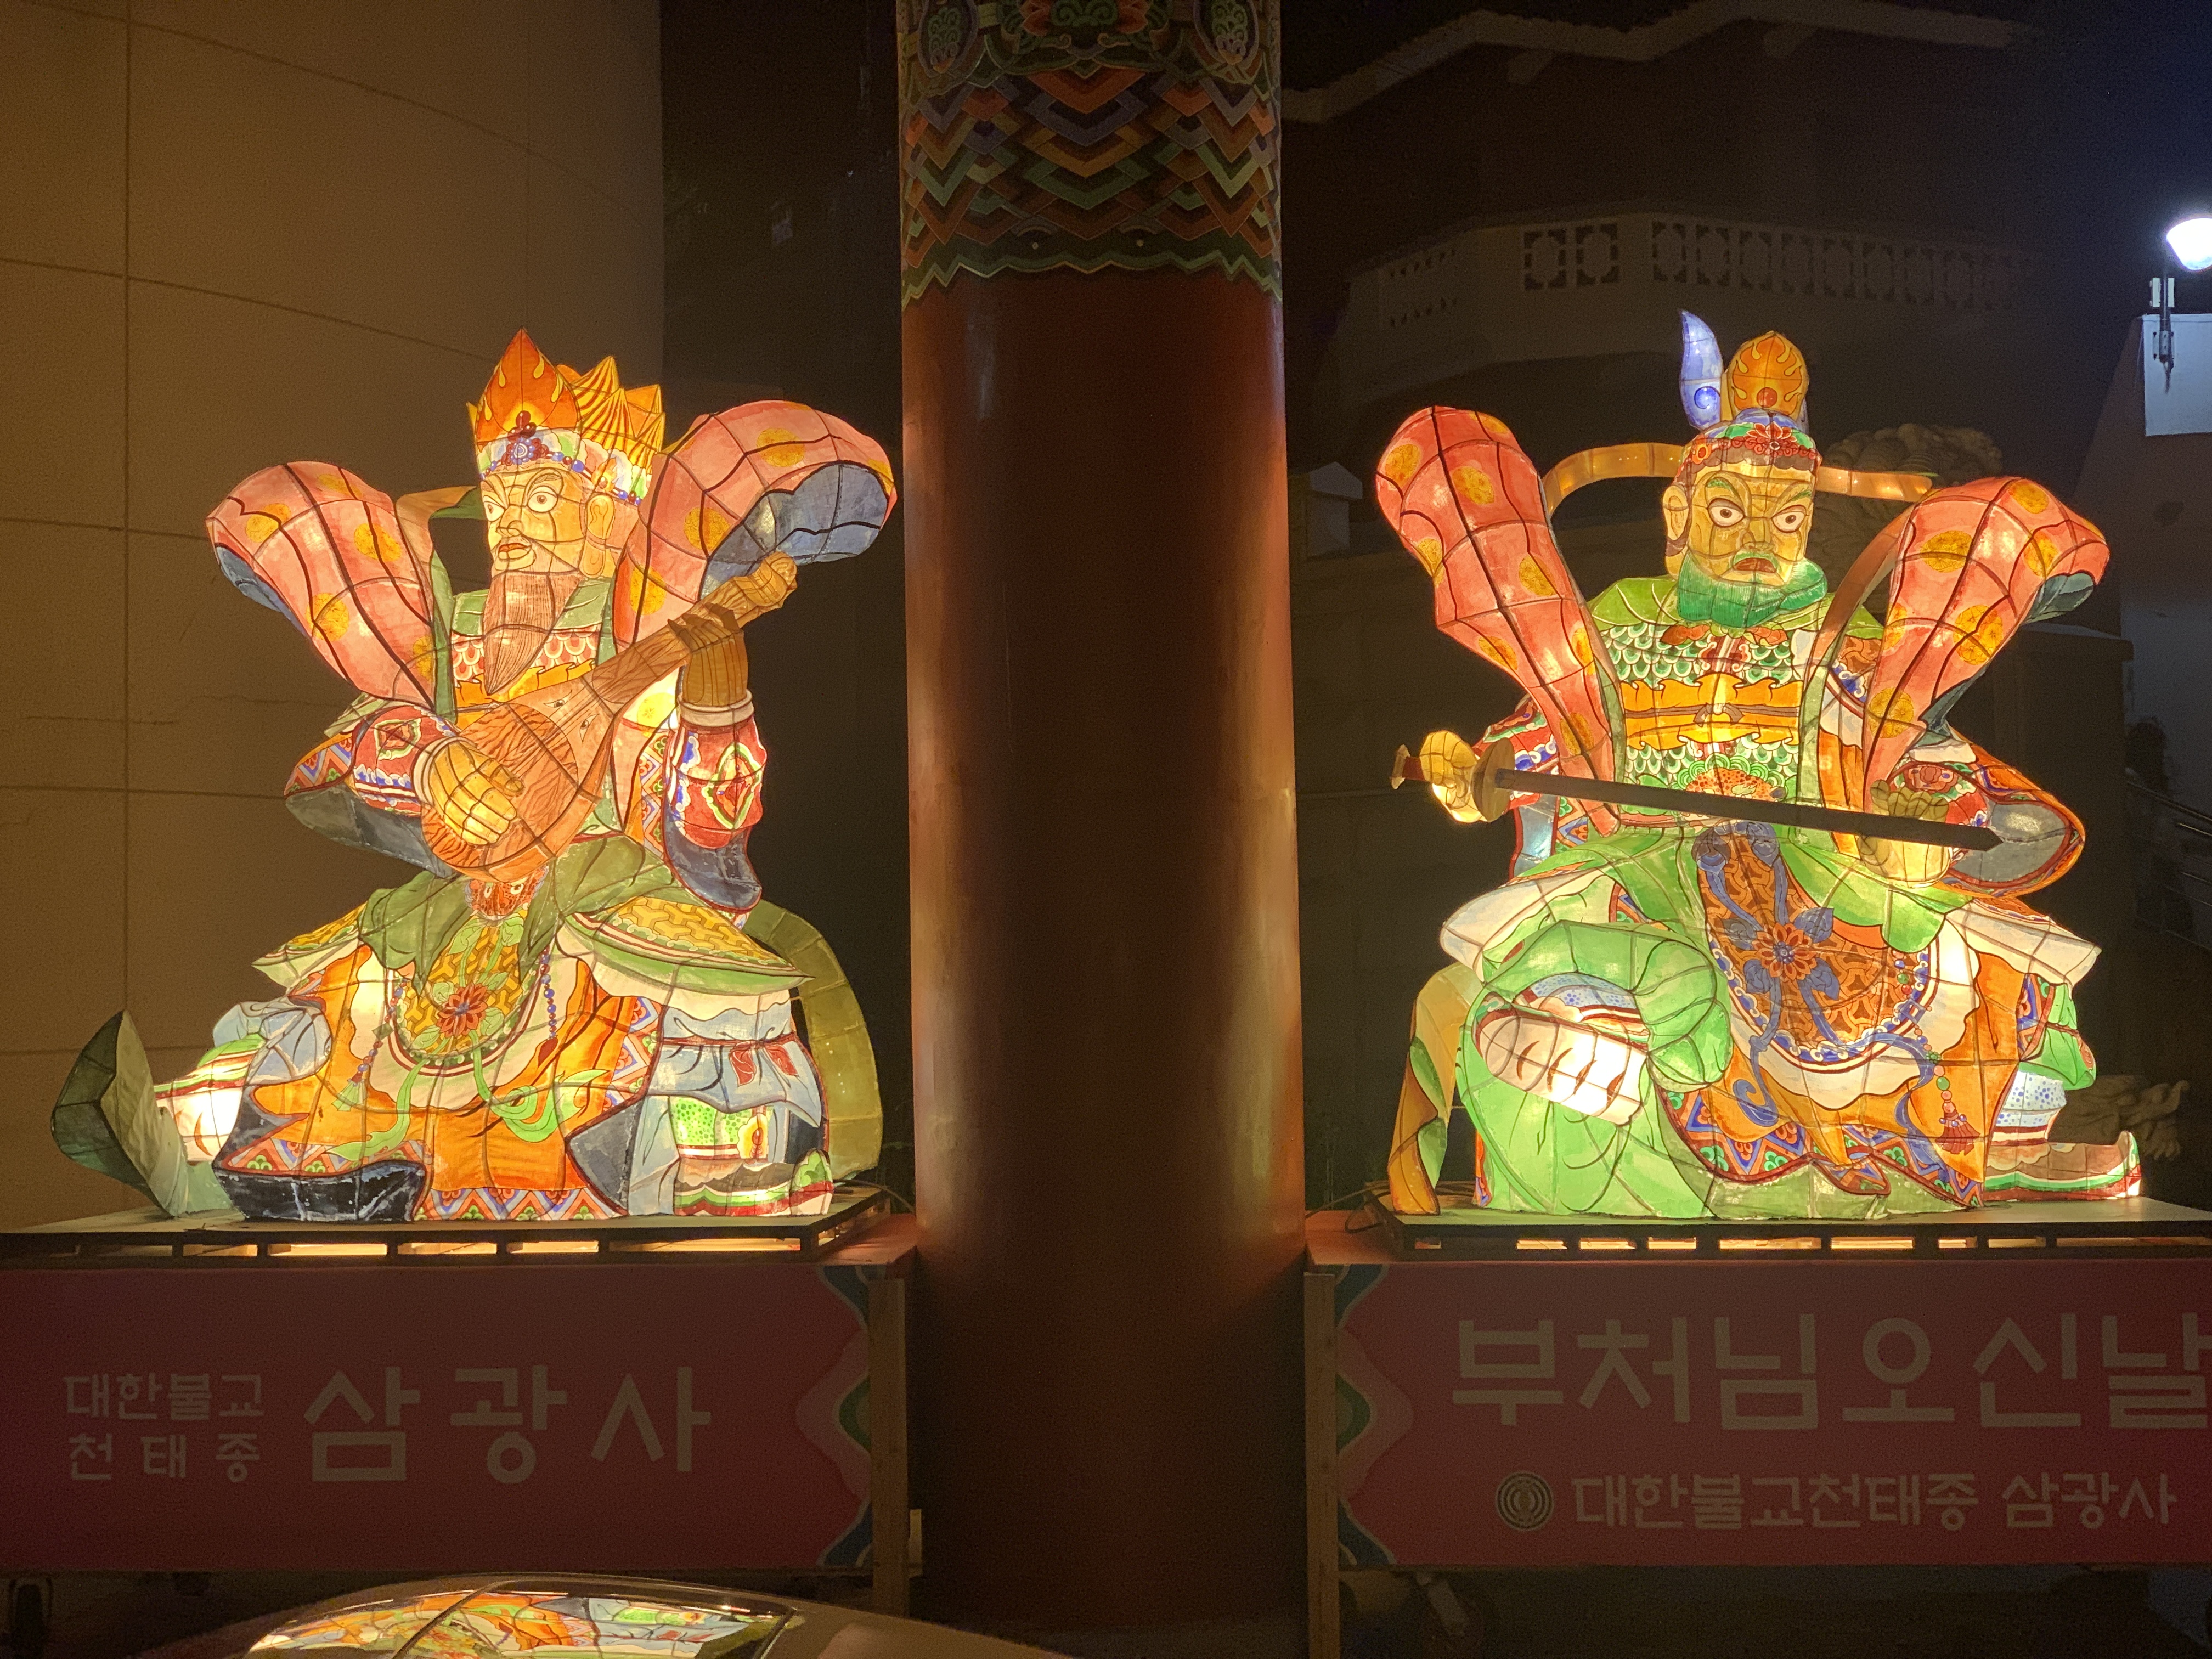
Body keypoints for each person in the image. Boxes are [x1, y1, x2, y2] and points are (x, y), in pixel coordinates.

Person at [110, 331, 894, 1221]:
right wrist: (433, 759)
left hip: (607, 896)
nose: (512, 519)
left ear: (613, 509)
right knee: (341, 1007)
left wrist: (717, 692)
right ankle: (229, 1151)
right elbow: (341, 752)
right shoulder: (457, 636)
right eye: (502, 497)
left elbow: (713, 812)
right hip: (462, 906)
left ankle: (696, 1159)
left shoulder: (645, 627)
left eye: (544, 495)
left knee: (671, 1012)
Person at [1380, 320, 2124, 1217]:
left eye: (1789, 516)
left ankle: (1981, 1148)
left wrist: (1919, 827)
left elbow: (1918, 757)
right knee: (1596, 970)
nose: (1760, 537)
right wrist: (1474, 775)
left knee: (1993, 958)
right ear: (1679, 514)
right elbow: (1540, 739)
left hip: (1821, 871)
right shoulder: (1620, 625)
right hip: (1646, 861)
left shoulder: (1843, 642)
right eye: (1731, 511)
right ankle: (1615, 1078)